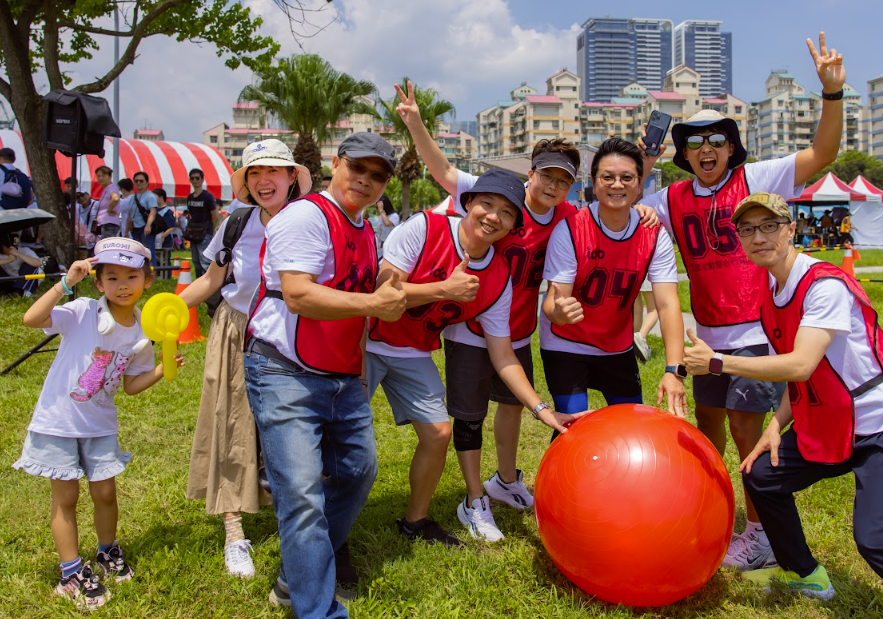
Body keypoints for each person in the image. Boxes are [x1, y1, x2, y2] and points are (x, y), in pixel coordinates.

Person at [682, 193, 883, 617]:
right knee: (761, 474)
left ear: (791, 229)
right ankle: (806, 575)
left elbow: (800, 363)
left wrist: (717, 362)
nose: (759, 237)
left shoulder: (823, 284)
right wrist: (777, 423)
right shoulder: (771, 290)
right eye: (748, 229)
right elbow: (811, 374)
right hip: (835, 421)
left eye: (770, 226)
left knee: (878, 541)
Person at [634, 31, 846, 570]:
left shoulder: (757, 177)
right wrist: (643, 163)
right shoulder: (672, 196)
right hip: (707, 337)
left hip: (757, 333)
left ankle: (761, 533)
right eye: (695, 141)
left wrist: (832, 94)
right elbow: (622, 202)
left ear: (732, 148)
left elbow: (823, 152)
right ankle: (713, 514)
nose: (706, 149)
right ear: (684, 153)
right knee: (706, 430)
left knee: (748, 432)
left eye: (716, 140)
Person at [393, 82, 611, 538]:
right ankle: (473, 499)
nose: (553, 186)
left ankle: (505, 480)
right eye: (546, 176)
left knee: (512, 404)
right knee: (470, 414)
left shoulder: (571, 217)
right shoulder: (497, 197)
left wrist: (646, 211)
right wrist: (415, 124)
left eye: (563, 180)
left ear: (571, 186)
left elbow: (616, 208)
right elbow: (444, 170)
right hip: (471, 326)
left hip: (516, 329)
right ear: (529, 175)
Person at [368, 168, 580, 545]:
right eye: (486, 203)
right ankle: (322, 528)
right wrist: (442, 289)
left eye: (507, 212)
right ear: (468, 203)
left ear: (515, 224)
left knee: (439, 433)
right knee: (343, 441)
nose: (493, 216)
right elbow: (383, 290)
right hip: (364, 342)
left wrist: (541, 409)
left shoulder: (498, 276)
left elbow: (503, 356)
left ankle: (415, 521)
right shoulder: (425, 227)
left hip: (412, 352)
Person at [244, 133, 406, 619]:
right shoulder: (305, 216)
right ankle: (317, 609)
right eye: (358, 167)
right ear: (336, 163)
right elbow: (299, 295)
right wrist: (376, 304)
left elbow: (356, 305)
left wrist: (356, 369)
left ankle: (296, 577)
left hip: (338, 373)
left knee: (358, 472)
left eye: (378, 175)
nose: (366, 180)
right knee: (302, 496)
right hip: (283, 370)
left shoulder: (362, 227)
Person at [12, 238, 183, 609]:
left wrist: (158, 370)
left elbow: (131, 386)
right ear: (99, 283)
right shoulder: (83, 310)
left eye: (131, 276)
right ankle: (70, 571)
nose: (123, 284)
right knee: (67, 497)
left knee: (105, 493)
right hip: (59, 421)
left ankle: (107, 551)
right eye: (113, 277)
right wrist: (64, 284)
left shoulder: (143, 329)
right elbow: (31, 319)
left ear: (147, 280)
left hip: (100, 424)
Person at [177, 140, 311, 579]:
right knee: (233, 424)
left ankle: (299, 515)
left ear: (292, 176)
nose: (263, 180)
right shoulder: (236, 224)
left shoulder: (313, 220)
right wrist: (168, 314)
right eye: (254, 173)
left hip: (296, 334)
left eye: (273, 170)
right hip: (237, 331)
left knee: (296, 425)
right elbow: (211, 279)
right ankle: (235, 532)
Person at [541, 138, 687, 437]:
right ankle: (561, 484)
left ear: (639, 185)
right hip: (566, 343)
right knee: (572, 428)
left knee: (631, 428)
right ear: (594, 184)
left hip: (616, 345)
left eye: (626, 177)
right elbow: (553, 304)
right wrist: (559, 310)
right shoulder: (570, 229)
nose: (616, 184)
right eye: (607, 177)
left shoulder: (653, 233)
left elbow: (668, 304)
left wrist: (674, 371)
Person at [184, 168, 220, 279]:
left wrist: (214, 231)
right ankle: (199, 283)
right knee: (196, 261)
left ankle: (208, 285)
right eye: (193, 178)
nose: (195, 180)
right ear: (189, 180)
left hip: (205, 233)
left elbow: (215, 215)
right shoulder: (189, 197)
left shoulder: (207, 196)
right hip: (193, 233)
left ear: (202, 180)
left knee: (205, 261)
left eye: (197, 178)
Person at [121, 172, 157, 257]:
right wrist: (126, 231)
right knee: (137, 253)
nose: (138, 183)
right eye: (136, 181)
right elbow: (129, 214)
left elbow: (153, 211)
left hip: (145, 228)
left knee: (147, 253)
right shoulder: (133, 197)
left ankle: (152, 269)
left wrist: (148, 225)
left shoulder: (150, 196)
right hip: (134, 228)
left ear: (147, 183)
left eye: (141, 181)